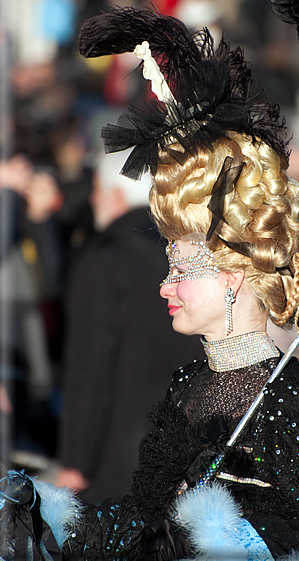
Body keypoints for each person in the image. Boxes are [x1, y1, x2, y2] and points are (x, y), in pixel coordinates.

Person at [3, 0, 299, 561]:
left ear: (237, 274)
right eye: (169, 262)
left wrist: (239, 542)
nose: (165, 284)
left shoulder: (298, 411)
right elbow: (137, 518)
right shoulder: (191, 389)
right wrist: (46, 517)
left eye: (184, 266)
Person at [56, 151, 203, 502]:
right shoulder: (185, 257)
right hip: (186, 446)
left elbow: (89, 371)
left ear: (116, 197)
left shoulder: (103, 262)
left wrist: (75, 460)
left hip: (116, 452)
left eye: (97, 191)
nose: (92, 200)